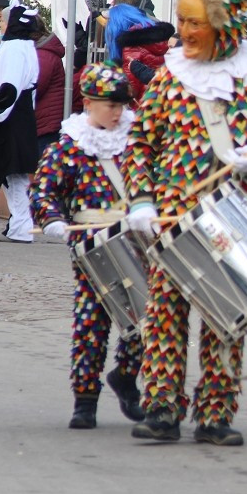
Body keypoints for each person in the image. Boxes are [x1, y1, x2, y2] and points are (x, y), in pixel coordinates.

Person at [122, 0, 247, 446]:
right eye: (180, 20)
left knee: (225, 316)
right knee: (164, 312)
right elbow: (141, 141)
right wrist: (141, 198)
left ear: (223, 26)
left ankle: (215, 412)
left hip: (234, 215)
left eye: (194, 22)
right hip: (173, 215)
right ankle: (162, 408)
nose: (183, 31)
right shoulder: (172, 73)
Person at [30, 61, 145, 430]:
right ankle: (85, 398)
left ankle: (126, 376)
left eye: (122, 105)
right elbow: (44, 189)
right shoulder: (71, 146)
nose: (117, 112)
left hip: (139, 240)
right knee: (91, 322)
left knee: (146, 316)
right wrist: (53, 220)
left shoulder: (138, 141)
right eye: (110, 105)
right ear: (90, 102)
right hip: (91, 244)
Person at [0, 4, 41, 243]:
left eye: (3, 22)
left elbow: (9, 88)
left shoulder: (15, 49)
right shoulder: (20, 47)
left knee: (13, 174)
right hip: (13, 116)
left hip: (11, 118)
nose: (0, 26)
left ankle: (21, 227)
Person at [105, 4, 176, 105]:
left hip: (145, 106)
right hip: (165, 99)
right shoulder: (162, 39)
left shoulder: (132, 44)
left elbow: (130, 90)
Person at [33, 17, 66, 157]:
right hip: (44, 121)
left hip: (45, 124)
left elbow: (36, 87)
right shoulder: (42, 52)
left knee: (42, 172)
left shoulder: (43, 55)